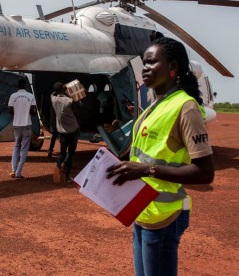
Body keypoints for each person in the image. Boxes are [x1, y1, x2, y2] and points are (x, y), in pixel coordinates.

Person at [106, 37, 214, 276]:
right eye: (144, 63)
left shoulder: (186, 108)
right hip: (142, 211)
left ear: (173, 67)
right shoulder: (154, 106)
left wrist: (145, 170)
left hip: (165, 217)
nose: (145, 68)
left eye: (152, 62)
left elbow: (205, 172)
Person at [51, 82, 80, 183]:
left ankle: (58, 166)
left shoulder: (53, 99)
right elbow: (76, 113)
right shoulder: (69, 101)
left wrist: (60, 89)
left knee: (62, 153)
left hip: (61, 131)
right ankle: (66, 175)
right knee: (71, 153)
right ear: (64, 89)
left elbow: (53, 93)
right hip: (72, 130)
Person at [8, 79, 36, 180]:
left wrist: (18, 113)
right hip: (27, 124)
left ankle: (13, 170)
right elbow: (33, 112)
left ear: (18, 86)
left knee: (16, 146)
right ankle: (19, 172)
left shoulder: (13, 96)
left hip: (16, 124)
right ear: (26, 86)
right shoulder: (30, 96)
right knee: (24, 149)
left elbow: (10, 111)